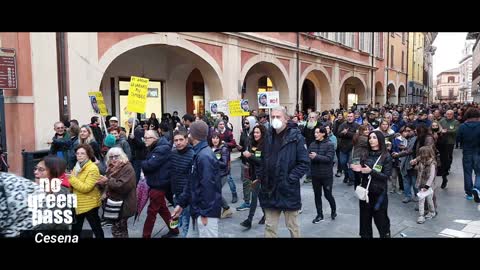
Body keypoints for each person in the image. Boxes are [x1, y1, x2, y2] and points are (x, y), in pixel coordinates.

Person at [256, 106, 309, 237]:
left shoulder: (296, 137)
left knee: (293, 227)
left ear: (286, 119)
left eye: (278, 117)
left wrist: (290, 178)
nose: (275, 119)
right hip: (270, 190)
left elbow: (304, 163)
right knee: (270, 227)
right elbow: (263, 158)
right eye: (272, 117)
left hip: (288, 190)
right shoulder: (268, 135)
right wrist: (261, 176)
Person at [171, 120, 222, 237]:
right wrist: (181, 204)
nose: (188, 134)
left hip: (205, 213)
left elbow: (209, 188)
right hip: (198, 211)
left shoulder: (204, 156)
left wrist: (205, 214)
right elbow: (192, 183)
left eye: (189, 132)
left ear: (194, 135)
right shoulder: (199, 153)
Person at [351, 131, 392, 238]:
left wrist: (371, 171)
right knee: (364, 222)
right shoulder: (365, 154)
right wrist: (357, 169)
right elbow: (361, 172)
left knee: (381, 221)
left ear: (380, 140)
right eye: (370, 138)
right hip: (365, 193)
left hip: (379, 194)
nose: (371, 140)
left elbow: (386, 176)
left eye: (374, 137)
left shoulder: (386, 156)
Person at [141, 130, 178, 238]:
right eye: (144, 137)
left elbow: (149, 165)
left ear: (154, 139)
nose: (145, 140)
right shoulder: (157, 147)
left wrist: (141, 163)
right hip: (158, 182)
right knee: (163, 210)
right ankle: (174, 229)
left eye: (147, 138)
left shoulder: (161, 149)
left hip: (159, 184)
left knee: (151, 212)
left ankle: (146, 235)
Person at [96, 147, 137, 238]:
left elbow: (123, 186)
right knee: (119, 230)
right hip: (115, 204)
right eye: (111, 157)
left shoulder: (127, 168)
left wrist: (107, 181)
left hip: (123, 204)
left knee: (118, 230)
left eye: (116, 156)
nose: (113, 159)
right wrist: (101, 183)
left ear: (122, 156)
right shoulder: (111, 167)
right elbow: (108, 185)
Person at [69, 144, 104, 238]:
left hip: (90, 204)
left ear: (88, 155)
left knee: (97, 230)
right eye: (77, 153)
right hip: (78, 203)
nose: (79, 155)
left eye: (82, 153)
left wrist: (71, 179)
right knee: (75, 230)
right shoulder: (76, 167)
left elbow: (86, 187)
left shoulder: (92, 168)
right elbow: (73, 185)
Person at [240, 125, 267, 229]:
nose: (255, 134)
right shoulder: (252, 144)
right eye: (254, 132)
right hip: (253, 174)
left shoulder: (265, 145)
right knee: (259, 196)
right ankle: (266, 215)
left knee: (254, 197)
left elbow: (262, 162)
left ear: (262, 134)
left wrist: (250, 156)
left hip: (261, 175)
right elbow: (252, 161)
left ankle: (249, 220)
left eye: (258, 132)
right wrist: (247, 157)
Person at [308, 126, 336, 223]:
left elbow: (329, 159)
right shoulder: (312, 144)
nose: (315, 134)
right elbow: (308, 157)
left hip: (326, 175)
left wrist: (316, 156)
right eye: (315, 132)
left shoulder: (330, 145)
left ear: (323, 133)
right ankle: (319, 215)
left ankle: (333, 210)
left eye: (317, 132)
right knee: (317, 195)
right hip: (315, 175)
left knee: (328, 195)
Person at [170, 128, 195, 237]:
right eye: (176, 140)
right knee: (178, 223)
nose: (178, 142)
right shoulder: (173, 154)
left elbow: (192, 179)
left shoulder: (193, 155)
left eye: (181, 139)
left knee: (186, 226)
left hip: (188, 197)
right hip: (176, 195)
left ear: (186, 140)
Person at [456, 107, 480, 202]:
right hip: (478, 152)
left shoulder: (462, 126)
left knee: (467, 173)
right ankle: (477, 188)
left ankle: (469, 193)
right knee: (479, 172)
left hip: (467, 152)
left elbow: (458, 140)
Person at [209, 131, 233, 219]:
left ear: (220, 139)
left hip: (222, 175)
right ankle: (224, 209)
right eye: (213, 138)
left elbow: (224, 163)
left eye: (217, 138)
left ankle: (227, 208)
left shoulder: (223, 149)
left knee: (216, 192)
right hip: (213, 175)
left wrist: (213, 159)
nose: (215, 140)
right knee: (214, 192)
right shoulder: (210, 148)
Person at [236, 116, 257, 212]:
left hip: (254, 162)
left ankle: (258, 201)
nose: (245, 125)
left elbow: (259, 147)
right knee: (245, 182)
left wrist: (252, 155)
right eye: (245, 123)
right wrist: (239, 147)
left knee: (256, 183)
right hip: (245, 161)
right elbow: (242, 145)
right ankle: (247, 202)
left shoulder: (256, 132)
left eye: (247, 123)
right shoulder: (243, 132)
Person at [413, 146, 437, 224]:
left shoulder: (432, 163)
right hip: (420, 184)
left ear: (427, 153)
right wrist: (413, 164)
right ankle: (421, 216)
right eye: (421, 153)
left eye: (423, 153)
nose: (421, 155)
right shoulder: (421, 161)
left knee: (429, 200)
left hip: (428, 186)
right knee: (421, 200)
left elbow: (432, 176)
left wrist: (426, 187)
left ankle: (432, 212)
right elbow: (418, 169)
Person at [438, 110, 460, 188]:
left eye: (450, 114)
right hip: (441, 142)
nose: (449, 115)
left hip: (450, 142)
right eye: (448, 114)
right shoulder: (442, 121)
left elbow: (456, 131)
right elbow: (438, 128)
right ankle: (444, 175)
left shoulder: (456, 122)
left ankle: (447, 169)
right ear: (445, 114)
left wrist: (447, 131)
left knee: (449, 157)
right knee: (442, 159)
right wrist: (440, 131)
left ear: (453, 115)